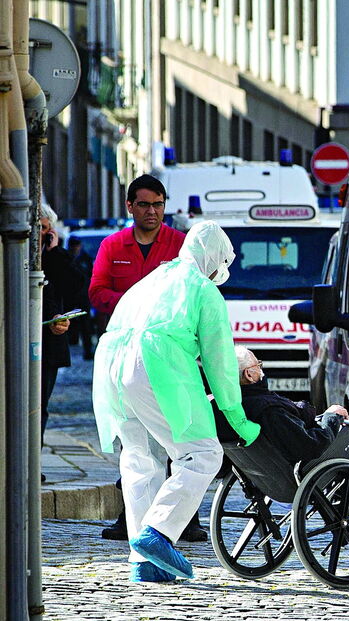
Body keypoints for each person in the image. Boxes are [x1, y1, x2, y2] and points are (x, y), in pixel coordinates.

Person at [92, 220, 260, 583]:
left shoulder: (154, 278)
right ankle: (158, 533)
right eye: (221, 264)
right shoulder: (203, 289)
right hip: (155, 365)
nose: (221, 273)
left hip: (111, 365)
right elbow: (220, 362)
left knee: (140, 460)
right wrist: (237, 417)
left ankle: (145, 562)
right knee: (202, 453)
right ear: (214, 258)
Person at [87, 174, 203, 542]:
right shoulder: (113, 245)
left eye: (158, 204)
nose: (152, 211)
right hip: (125, 356)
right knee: (133, 439)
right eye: (144, 204)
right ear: (130, 207)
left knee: (179, 433)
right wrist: (130, 308)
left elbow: (194, 291)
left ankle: (186, 520)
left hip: (170, 359)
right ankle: (130, 519)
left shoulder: (179, 244)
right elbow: (96, 290)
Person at [222, 346, 349, 505]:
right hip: (309, 467)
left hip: (273, 478)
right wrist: (331, 417)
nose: (262, 369)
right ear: (249, 374)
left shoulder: (238, 408)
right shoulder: (268, 409)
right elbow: (310, 445)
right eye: (258, 365)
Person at [40, 205, 86, 449]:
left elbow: (74, 286)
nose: (38, 234)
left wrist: (55, 251)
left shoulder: (54, 257)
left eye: (44, 229)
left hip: (47, 345)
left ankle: (32, 464)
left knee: (39, 407)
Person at [66, 237, 95, 360]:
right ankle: (71, 350)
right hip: (70, 298)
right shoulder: (66, 258)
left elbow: (91, 276)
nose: (76, 249)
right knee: (70, 327)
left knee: (85, 326)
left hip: (83, 297)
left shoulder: (86, 258)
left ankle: (87, 351)